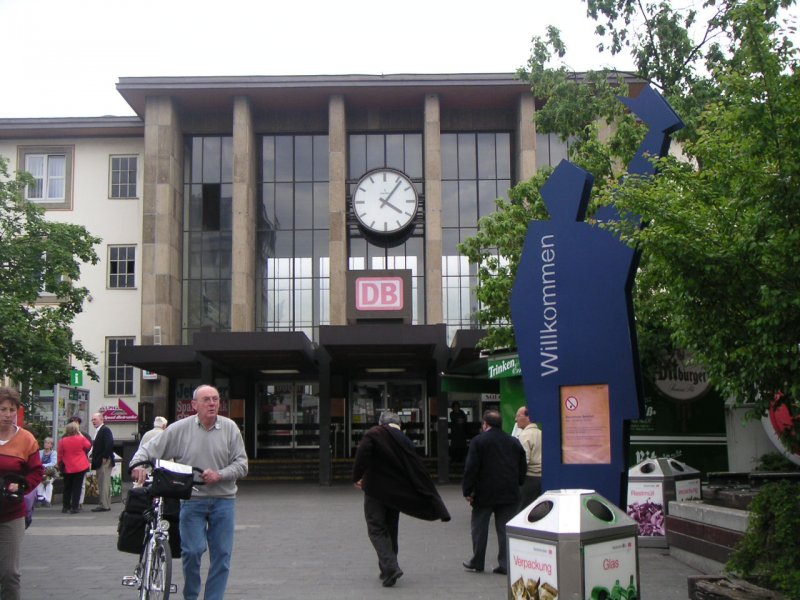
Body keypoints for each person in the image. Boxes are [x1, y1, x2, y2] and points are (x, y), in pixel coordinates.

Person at [131, 384, 248, 600]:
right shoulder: (180, 429)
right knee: (192, 551)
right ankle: (191, 596)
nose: (212, 403)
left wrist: (220, 474)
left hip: (224, 501)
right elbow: (149, 449)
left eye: (215, 399)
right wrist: (137, 464)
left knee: (222, 555)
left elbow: (242, 465)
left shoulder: (230, 428)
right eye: (206, 399)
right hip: (192, 500)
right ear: (194, 405)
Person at [353, 411, 450, 588]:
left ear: (381, 422)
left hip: (375, 491)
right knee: (391, 529)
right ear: (400, 425)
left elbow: (362, 454)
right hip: (396, 494)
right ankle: (387, 568)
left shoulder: (374, 433)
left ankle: (390, 567)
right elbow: (415, 467)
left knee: (376, 528)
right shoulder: (405, 440)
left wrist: (357, 476)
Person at [461, 409, 526, 576]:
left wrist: (467, 490)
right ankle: (505, 564)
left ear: (485, 424)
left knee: (479, 528)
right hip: (509, 492)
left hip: (484, 493)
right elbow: (522, 464)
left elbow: (471, 468)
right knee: (504, 528)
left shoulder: (478, 441)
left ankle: (477, 561)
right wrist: (518, 482)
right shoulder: (513, 441)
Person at [0, 386, 44, 600]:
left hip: (11, 514)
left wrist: (23, 485)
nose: (7, 415)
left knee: (9, 574)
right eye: (2, 409)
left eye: (11, 410)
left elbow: (37, 471)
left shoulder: (26, 439)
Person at [57, 422, 91, 514]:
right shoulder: (81, 439)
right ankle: (74, 507)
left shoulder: (62, 441)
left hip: (67, 466)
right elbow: (88, 445)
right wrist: (80, 434)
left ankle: (65, 506)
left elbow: (60, 454)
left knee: (67, 487)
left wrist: (59, 464)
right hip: (80, 466)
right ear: (76, 430)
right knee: (77, 487)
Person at [514, 406, 543, 509]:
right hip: (542, 477)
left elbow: (523, 461)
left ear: (529, 417)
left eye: (518, 415)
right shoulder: (541, 433)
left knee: (523, 511)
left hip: (529, 479)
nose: (515, 419)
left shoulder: (524, 435)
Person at [90, 412, 115, 512]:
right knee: (104, 482)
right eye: (92, 420)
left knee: (103, 483)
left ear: (101, 419)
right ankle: (105, 504)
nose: (93, 422)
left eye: (95, 419)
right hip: (101, 459)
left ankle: (104, 505)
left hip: (104, 460)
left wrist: (104, 456)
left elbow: (109, 443)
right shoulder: (100, 430)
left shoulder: (105, 430)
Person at [36, 437, 58, 507]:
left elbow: (53, 463)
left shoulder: (53, 453)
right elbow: (37, 462)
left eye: (48, 443)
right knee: (40, 482)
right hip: (41, 471)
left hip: (51, 472)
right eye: (45, 442)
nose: (46, 444)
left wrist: (43, 465)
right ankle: (40, 499)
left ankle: (47, 500)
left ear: (51, 445)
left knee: (48, 483)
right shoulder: (40, 452)